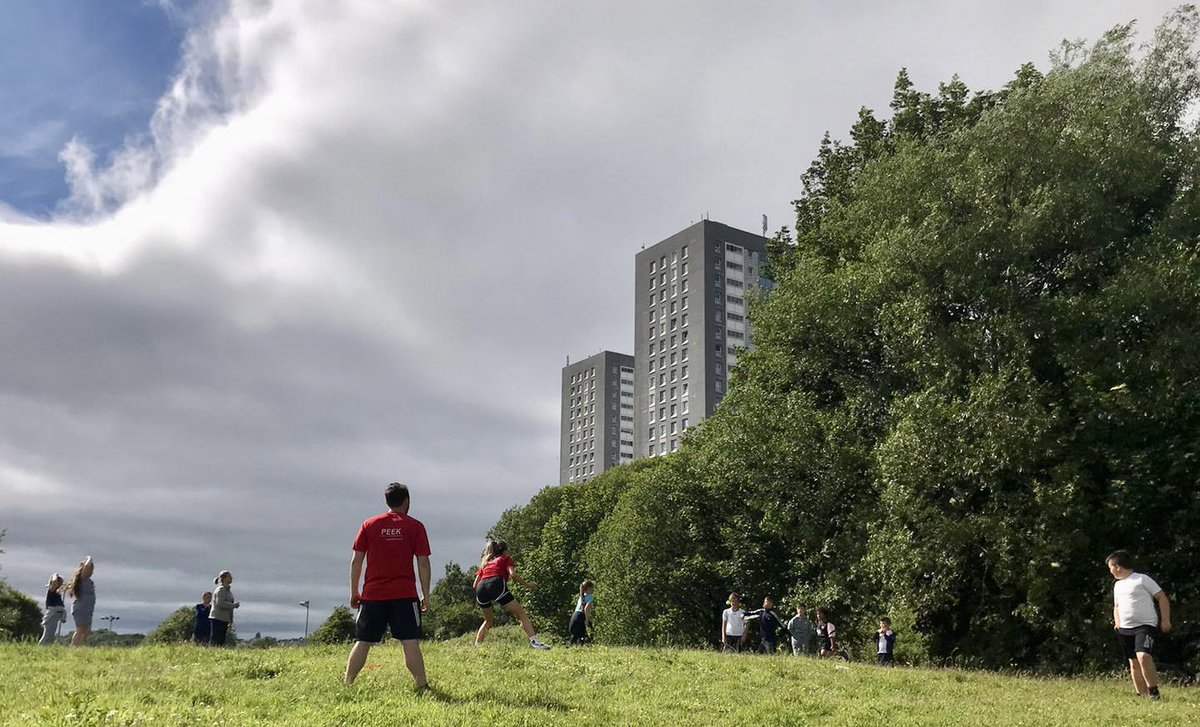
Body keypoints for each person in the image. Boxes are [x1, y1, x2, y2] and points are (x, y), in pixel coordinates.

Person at [345, 482, 433, 688]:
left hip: (373, 595)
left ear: (387, 501)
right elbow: (423, 563)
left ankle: (348, 684)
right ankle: (422, 686)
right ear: (407, 501)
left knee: (363, 641)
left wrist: (354, 592)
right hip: (404, 595)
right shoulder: (415, 526)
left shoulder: (369, 525)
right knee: (410, 642)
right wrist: (426, 596)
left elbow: (356, 560)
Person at [1107, 550, 1172, 701]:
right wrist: (1117, 622)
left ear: (1117, 567)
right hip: (1125, 629)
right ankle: (1141, 697)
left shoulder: (1142, 579)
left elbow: (1162, 597)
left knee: (1143, 656)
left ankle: (1154, 692)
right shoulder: (1117, 585)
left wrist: (1165, 620)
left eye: (1110, 567)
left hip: (1145, 626)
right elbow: (1116, 606)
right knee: (1133, 662)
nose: (1110, 572)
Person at [473, 539, 551, 649]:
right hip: (495, 584)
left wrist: (486, 594)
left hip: (481, 588)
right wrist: (528, 585)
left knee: (488, 620)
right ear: (504, 551)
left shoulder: (486, 563)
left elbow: (475, 584)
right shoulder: (505, 559)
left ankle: (477, 646)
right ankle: (535, 643)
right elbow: (513, 575)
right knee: (521, 614)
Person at [68, 556, 95, 646]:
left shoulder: (88, 580)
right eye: (91, 569)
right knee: (80, 630)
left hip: (87, 609)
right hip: (81, 608)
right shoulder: (83, 578)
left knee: (87, 631)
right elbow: (86, 566)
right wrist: (89, 558)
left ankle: (81, 647)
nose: (91, 571)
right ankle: (74, 647)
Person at [209, 571, 240, 647]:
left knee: (221, 640)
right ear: (224, 578)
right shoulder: (221, 589)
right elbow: (220, 603)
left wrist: (231, 619)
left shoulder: (228, 591)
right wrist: (233, 605)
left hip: (224, 619)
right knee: (216, 639)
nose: (231, 578)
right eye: (229, 576)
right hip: (218, 618)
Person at [39, 574, 67, 646]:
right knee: (47, 635)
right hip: (52, 615)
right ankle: (41, 647)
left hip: (56, 615)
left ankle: (46, 647)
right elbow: (54, 582)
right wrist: (55, 575)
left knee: (50, 635)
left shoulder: (57, 593)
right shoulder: (51, 590)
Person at [568, 580, 595, 646]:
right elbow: (586, 609)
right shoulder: (590, 597)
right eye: (593, 588)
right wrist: (587, 620)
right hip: (581, 616)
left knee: (576, 635)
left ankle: (570, 647)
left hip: (575, 616)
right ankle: (587, 645)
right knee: (585, 634)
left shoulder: (581, 597)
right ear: (589, 588)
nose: (594, 590)